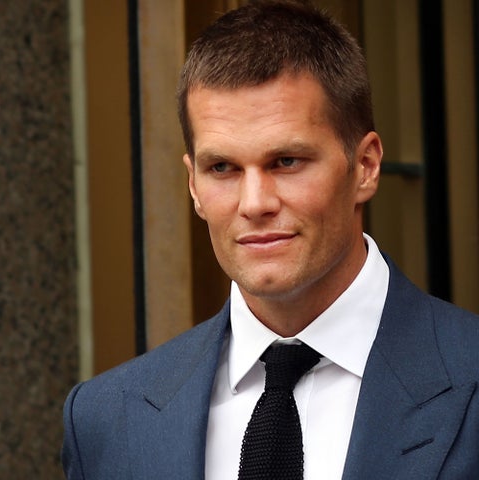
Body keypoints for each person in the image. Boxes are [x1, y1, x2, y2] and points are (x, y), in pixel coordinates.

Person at [62, 1, 479, 478]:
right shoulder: (106, 420)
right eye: (223, 168)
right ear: (194, 185)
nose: (255, 202)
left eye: (286, 161)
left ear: (365, 167)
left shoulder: (468, 377)